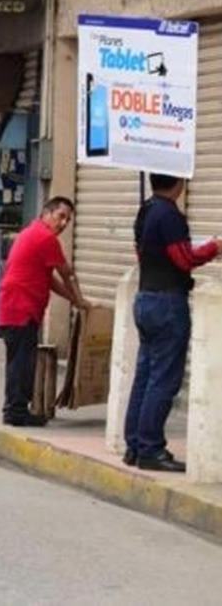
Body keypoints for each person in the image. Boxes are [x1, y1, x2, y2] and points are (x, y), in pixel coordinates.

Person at [126, 174, 222, 472]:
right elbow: (183, 259)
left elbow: (142, 253)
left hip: (146, 299)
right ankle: (151, 448)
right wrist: (215, 247)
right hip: (167, 303)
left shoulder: (146, 210)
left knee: (146, 375)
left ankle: (135, 445)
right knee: (164, 379)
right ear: (179, 183)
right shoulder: (169, 215)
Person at [0, 196, 88, 427]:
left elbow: (50, 280)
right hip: (21, 308)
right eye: (61, 216)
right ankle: (15, 411)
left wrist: (73, 300)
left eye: (68, 219)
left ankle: (16, 408)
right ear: (47, 214)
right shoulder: (45, 238)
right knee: (21, 362)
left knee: (20, 360)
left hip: (15, 307)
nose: (64, 223)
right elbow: (67, 274)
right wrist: (81, 301)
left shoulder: (31, 233)